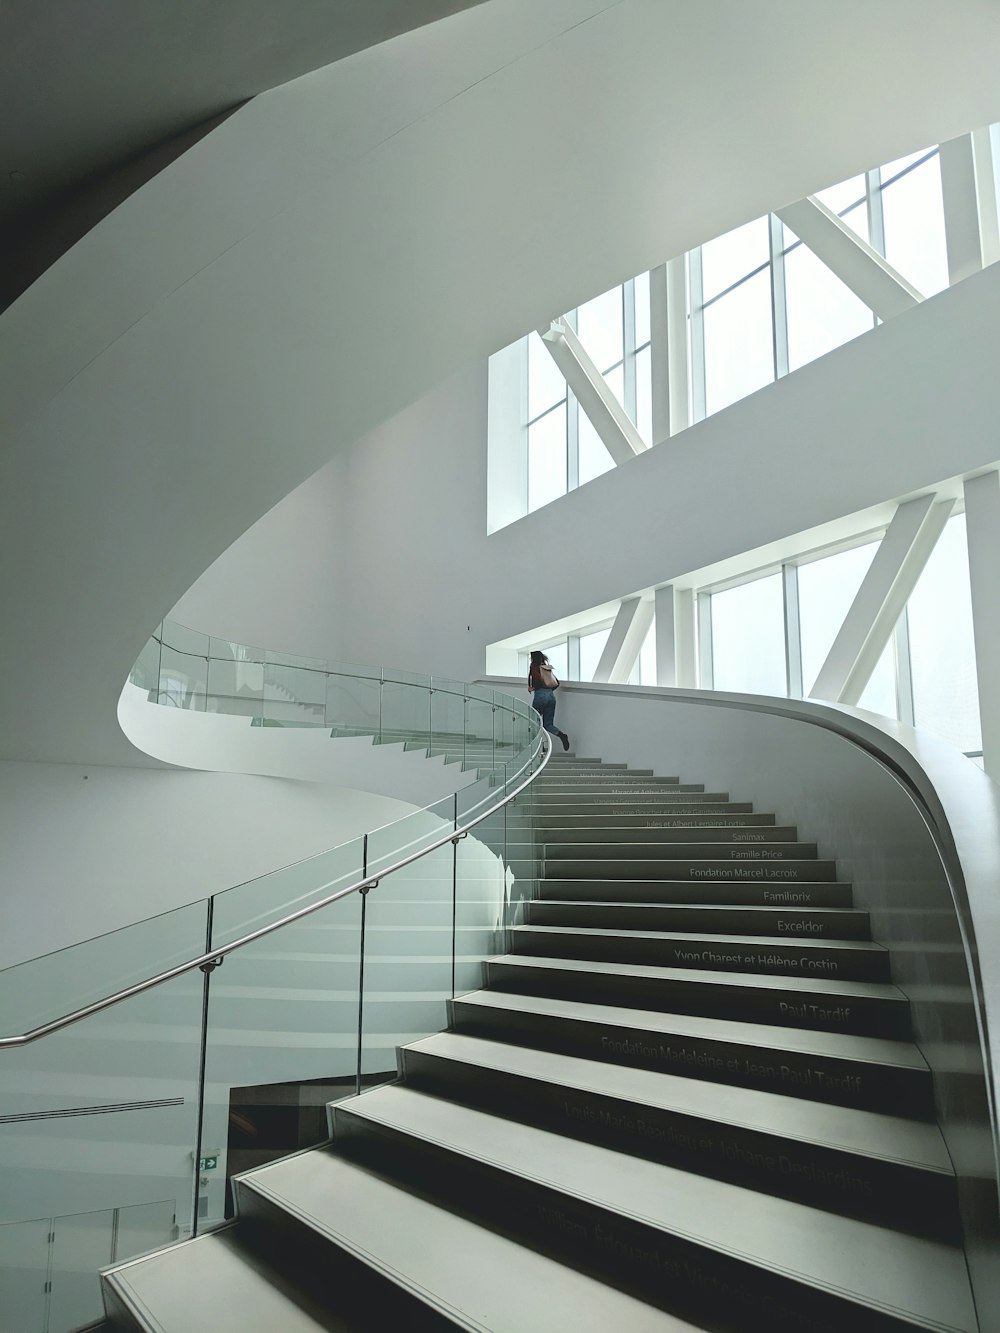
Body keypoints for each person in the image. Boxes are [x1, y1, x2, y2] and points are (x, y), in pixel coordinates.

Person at [527, 650, 570, 751]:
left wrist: (533, 688)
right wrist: (547, 691)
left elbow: (537, 682)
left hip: (540, 696)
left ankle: (540, 748)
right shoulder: (546, 668)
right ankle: (562, 735)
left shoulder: (534, 667)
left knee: (533, 722)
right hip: (551, 697)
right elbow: (556, 683)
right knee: (548, 724)